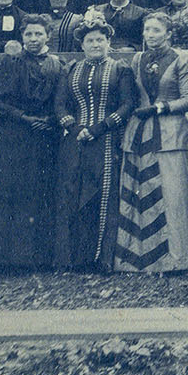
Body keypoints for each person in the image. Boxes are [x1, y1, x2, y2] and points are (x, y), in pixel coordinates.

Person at [110, 8, 188, 273]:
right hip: (139, 130)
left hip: (171, 132)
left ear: (168, 33)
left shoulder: (181, 58)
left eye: (156, 30)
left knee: (172, 193)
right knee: (140, 189)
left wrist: (160, 108)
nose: (150, 35)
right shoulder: (137, 59)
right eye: (147, 30)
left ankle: (177, 259)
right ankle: (137, 260)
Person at [0, 19, 68, 268]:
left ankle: (38, 258)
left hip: (44, 134)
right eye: (28, 34)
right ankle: (6, 259)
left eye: (38, 34)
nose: (32, 38)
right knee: (10, 190)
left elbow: (61, 101)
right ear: (22, 37)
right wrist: (24, 117)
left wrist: (50, 120)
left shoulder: (56, 65)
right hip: (14, 133)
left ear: (47, 36)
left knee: (40, 191)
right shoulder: (11, 63)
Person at [53, 20, 139, 270]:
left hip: (107, 139)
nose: (95, 44)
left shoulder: (119, 69)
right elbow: (60, 105)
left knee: (102, 195)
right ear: (81, 44)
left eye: (100, 40)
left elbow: (127, 104)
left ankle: (100, 259)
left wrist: (99, 128)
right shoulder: (70, 69)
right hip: (74, 140)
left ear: (108, 43)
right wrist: (75, 127)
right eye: (90, 40)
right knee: (71, 193)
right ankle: (71, 260)